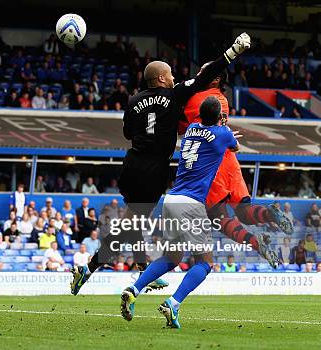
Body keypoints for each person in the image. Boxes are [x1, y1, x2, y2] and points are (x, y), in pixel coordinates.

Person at [70, 33, 252, 296]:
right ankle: (89, 268)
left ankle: (143, 269)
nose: (174, 78)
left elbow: (128, 134)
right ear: (161, 79)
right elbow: (204, 77)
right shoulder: (173, 95)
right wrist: (233, 52)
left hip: (132, 164)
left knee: (136, 218)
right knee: (130, 224)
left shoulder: (133, 101)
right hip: (153, 168)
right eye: (170, 75)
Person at [120, 96, 241, 328]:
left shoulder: (192, 129)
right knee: (205, 263)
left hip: (172, 199)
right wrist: (224, 127)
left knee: (171, 258)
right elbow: (235, 147)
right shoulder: (222, 134)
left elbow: (207, 130)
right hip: (191, 204)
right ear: (218, 117)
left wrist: (217, 123)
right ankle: (173, 303)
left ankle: (134, 289)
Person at [180, 62, 291, 268]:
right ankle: (268, 215)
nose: (198, 74)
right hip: (230, 160)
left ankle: (256, 242)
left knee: (218, 219)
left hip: (211, 166)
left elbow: (180, 126)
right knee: (244, 212)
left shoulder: (196, 98)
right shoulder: (222, 100)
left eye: (204, 71)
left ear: (215, 78)